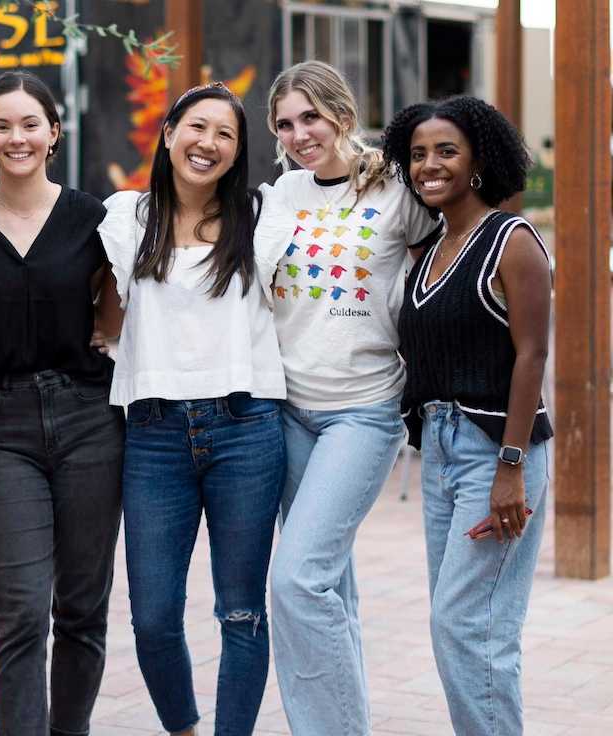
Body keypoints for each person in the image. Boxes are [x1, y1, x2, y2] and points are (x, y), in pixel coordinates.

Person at [256, 60, 441, 736]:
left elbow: (440, 279)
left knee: (297, 581)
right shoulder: (281, 195)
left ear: (341, 111)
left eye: (310, 116)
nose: (300, 133)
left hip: (363, 411)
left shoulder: (397, 189)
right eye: (285, 123)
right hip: (287, 411)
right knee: (327, 583)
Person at [96, 82, 285, 736]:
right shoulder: (127, 217)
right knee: (151, 616)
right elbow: (105, 310)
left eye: (225, 134)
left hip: (246, 429)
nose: (209, 143)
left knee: (240, 612)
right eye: (197, 127)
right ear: (170, 132)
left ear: (238, 152)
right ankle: (183, 729)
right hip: (154, 435)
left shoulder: (262, 215)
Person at [0, 70, 125, 736]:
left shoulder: (93, 218)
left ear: (55, 132)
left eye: (31, 123)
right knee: (22, 609)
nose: (16, 137)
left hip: (88, 418)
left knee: (82, 608)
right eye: (3, 124)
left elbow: (113, 313)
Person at [382, 96, 552, 736]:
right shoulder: (427, 252)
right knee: (463, 624)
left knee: (468, 627)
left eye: (446, 151)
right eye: (418, 153)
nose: (430, 164)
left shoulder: (511, 240)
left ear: (479, 159)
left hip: (497, 451)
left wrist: (511, 466)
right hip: (441, 452)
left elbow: (532, 355)